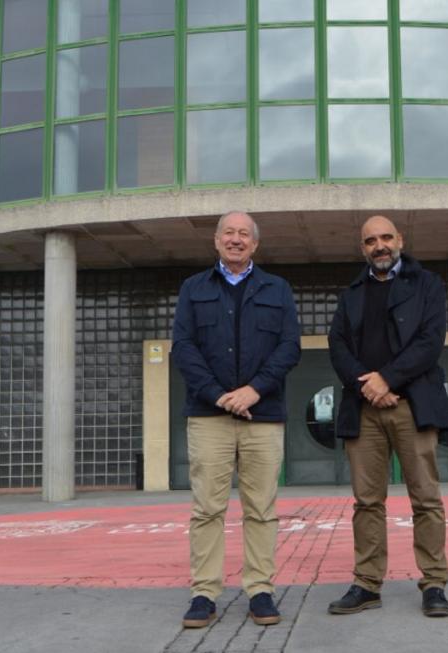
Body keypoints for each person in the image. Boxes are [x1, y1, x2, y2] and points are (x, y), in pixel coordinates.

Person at [172, 211, 300, 629]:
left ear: (255, 244)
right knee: (207, 508)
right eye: (229, 232)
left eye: (244, 233)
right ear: (216, 240)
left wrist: (254, 390)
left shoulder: (277, 289)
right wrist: (220, 396)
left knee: (261, 508)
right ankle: (204, 594)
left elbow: (289, 346)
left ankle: (260, 589)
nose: (236, 239)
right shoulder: (193, 289)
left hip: (263, 415)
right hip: (209, 415)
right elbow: (184, 347)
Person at [327, 215, 448, 618]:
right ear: (362, 248)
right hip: (363, 408)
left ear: (399, 239)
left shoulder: (428, 284)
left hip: (411, 405)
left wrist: (387, 379)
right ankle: (367, 584)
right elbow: (337, 344)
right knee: (367, 502)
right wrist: (367, 385)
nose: (379, 245)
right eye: (370, 241)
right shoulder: (351, 293)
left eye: (385, 237)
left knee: (426, 499)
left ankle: (433, 583)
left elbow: (430, 342)